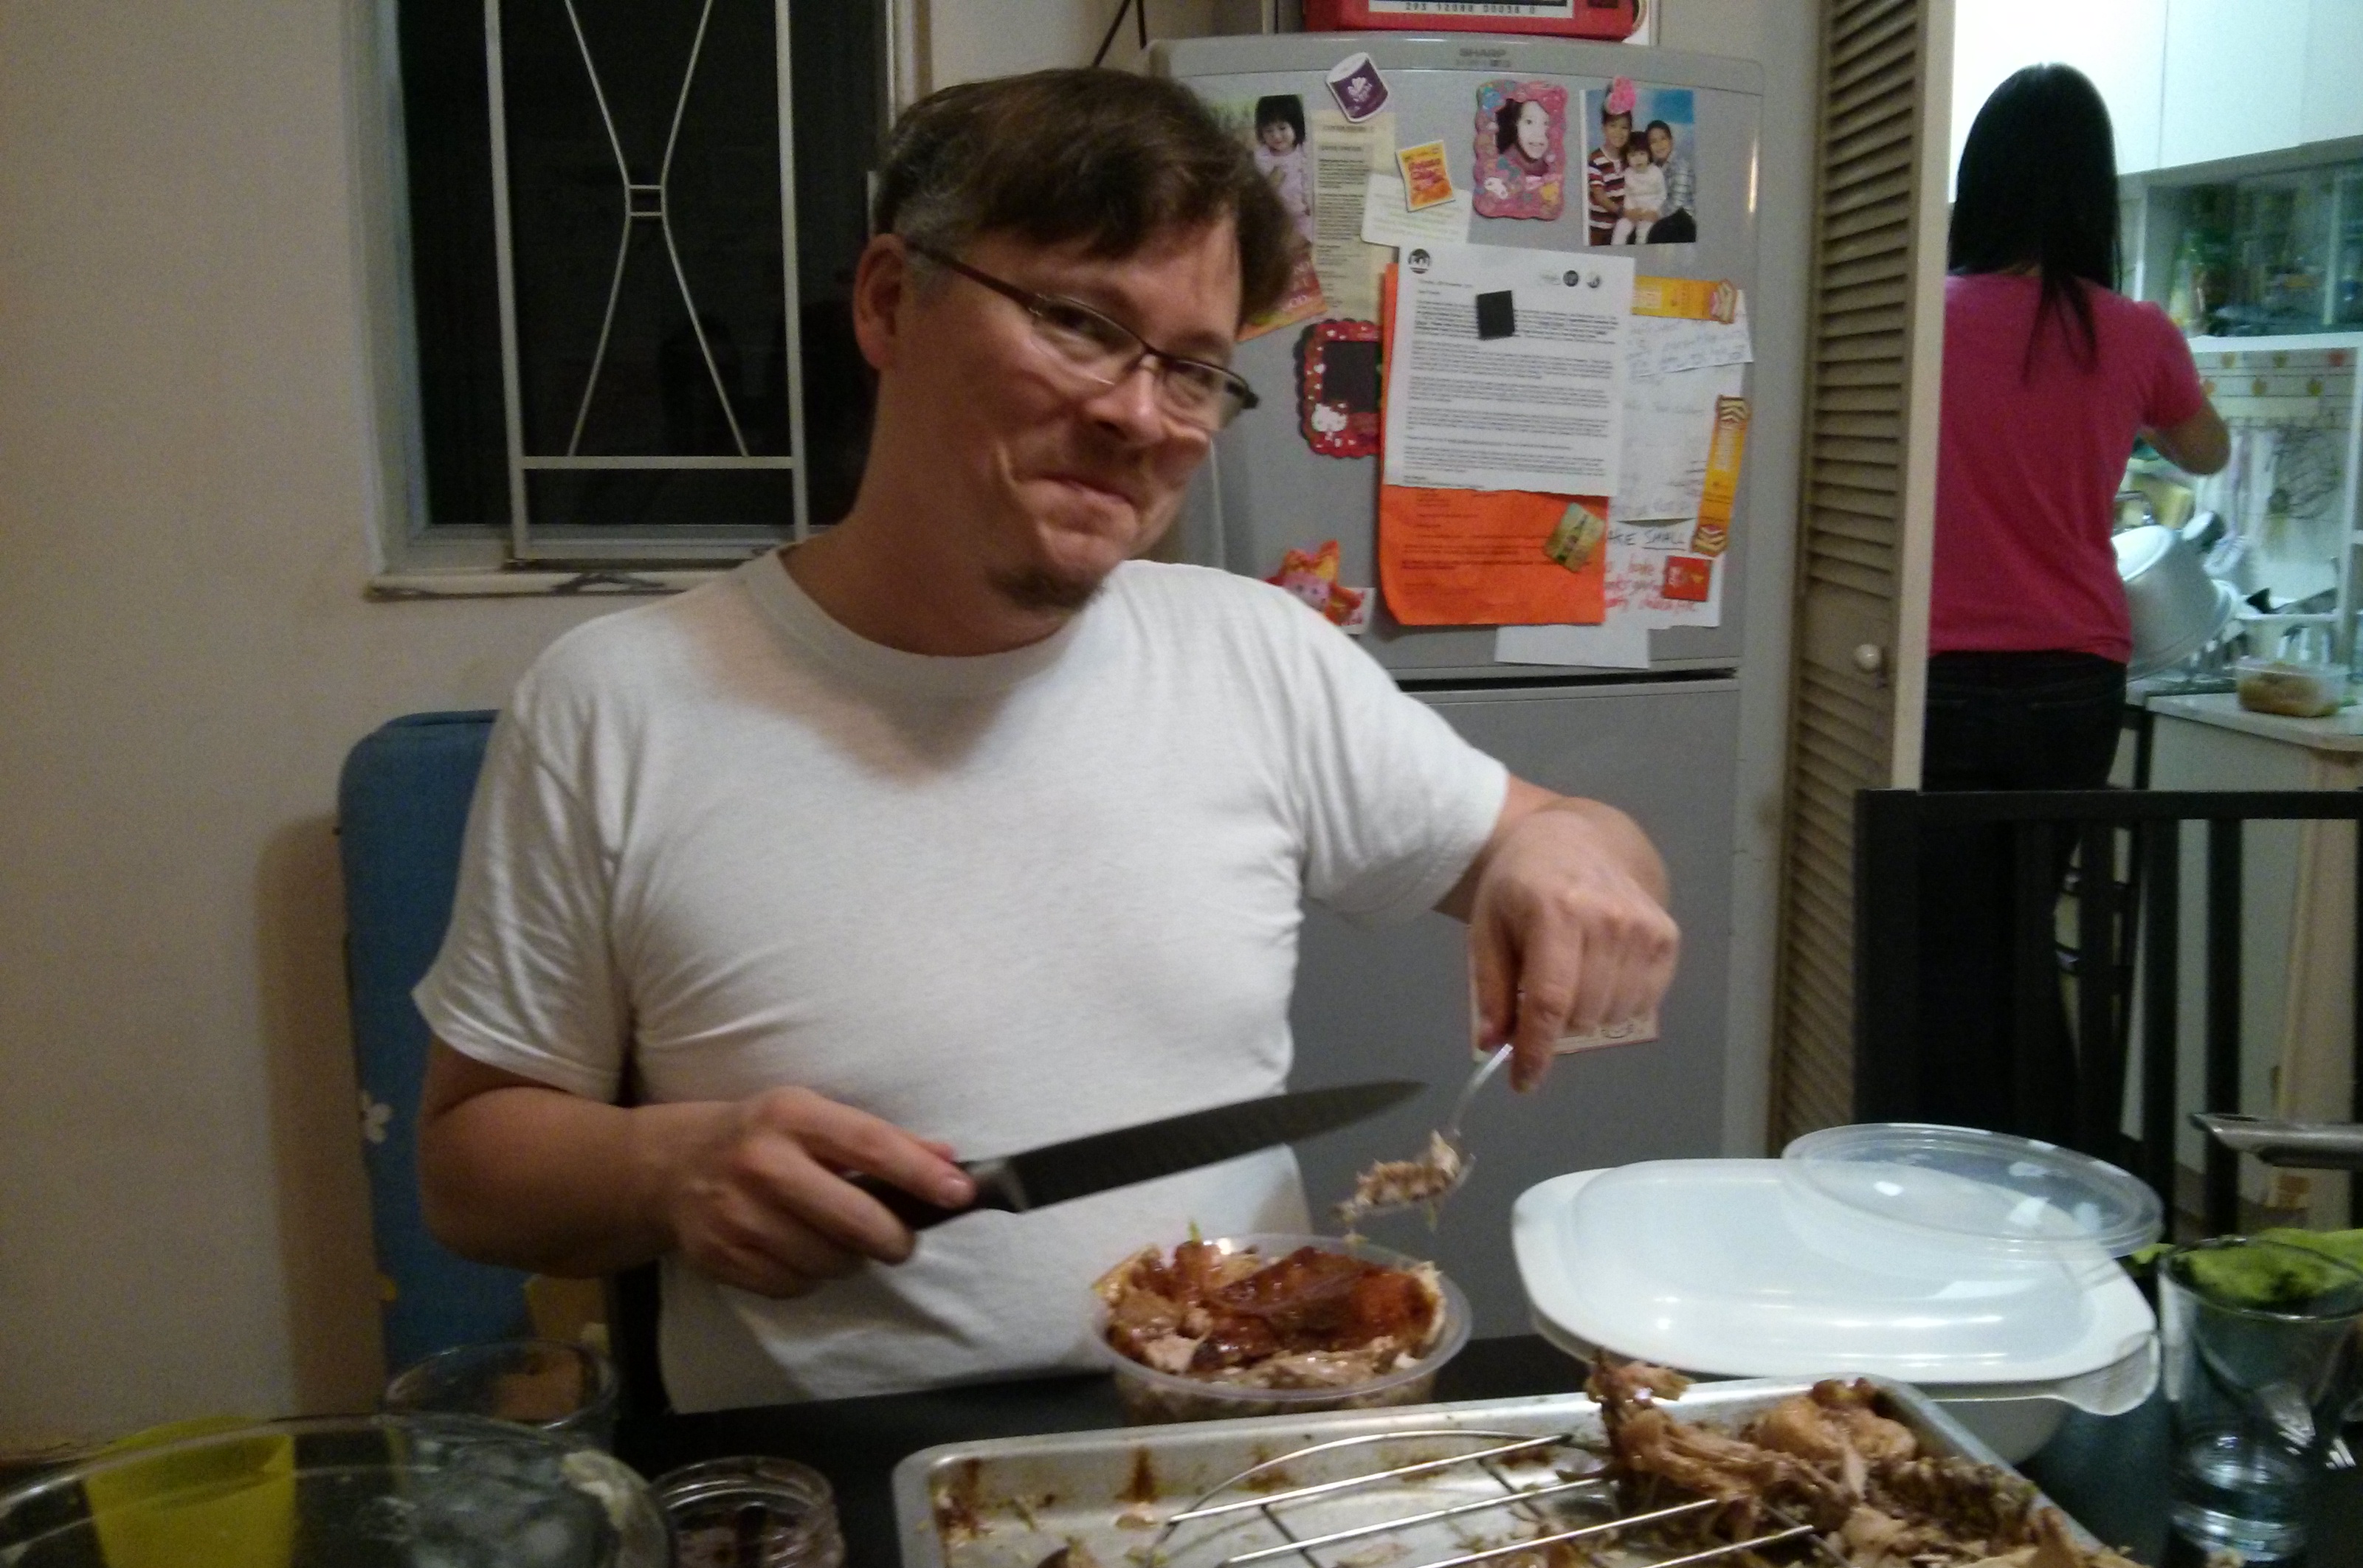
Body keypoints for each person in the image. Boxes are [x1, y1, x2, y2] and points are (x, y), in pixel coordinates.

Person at [414, 68, 1680, 1410]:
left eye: (1193, 370)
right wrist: (668, 1170)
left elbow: (1581, 845)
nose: (1138, 414)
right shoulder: (616, 703)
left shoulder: (1253, 658)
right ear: (889, 302)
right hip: (835, 1476)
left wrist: (1568, 858)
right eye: (1079, 323)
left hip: (1236, 1431)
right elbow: (468, 1173)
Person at [1917, 64, 2228, 1136]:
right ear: (2094, 193)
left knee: (1941, 948)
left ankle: (1943, 1170)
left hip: (1939, 678)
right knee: (2018, 944)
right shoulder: (2136, 334)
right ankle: (2047, 1164)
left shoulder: (1925, 319)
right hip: (2074, 684)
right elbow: (2209, 451)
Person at [1252, 94, 1311, 244]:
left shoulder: (1305, 151)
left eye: (1282, 128)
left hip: (1304, 216)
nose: (1277, 136)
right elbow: (1258, 192)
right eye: (1269, 131)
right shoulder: (1261, 157)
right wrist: (1272, 180)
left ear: (1296, 126)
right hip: (1276, 219)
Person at [1643, 119, 1696, 243]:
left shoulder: (1680, 166)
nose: (1659, 144)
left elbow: (1676, 202)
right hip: (1666, 215)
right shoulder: (1655, 167)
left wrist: (1655, 215)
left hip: (1683, 220)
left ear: (1671, 141)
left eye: (1663, 139)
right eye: (1653, 141)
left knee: (1656, 234)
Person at [1585, 107, 1632, 246]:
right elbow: (1600, 197)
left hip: (1619, 228)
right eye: (1613, 126)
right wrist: (1625, 212)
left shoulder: (1628, 159)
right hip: (1598, 229)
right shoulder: (1595, 160)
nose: (1619, 132)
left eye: (1624, 128)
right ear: (1603, 128)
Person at [1611, 135, 1662, 244]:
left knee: (1643, 233)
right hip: (1633, 211)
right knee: (1621, 226)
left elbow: (1662, 195)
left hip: (1649, 212)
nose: (1638, 159)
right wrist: (1631, 211)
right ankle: (1616, 251)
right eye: (1633, 155)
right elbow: (1628, 195)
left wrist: (1653, 210)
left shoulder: (1656, 172)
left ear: (1649, 154)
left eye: (1642, 154)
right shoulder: (1628, 173)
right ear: (1627, 157)